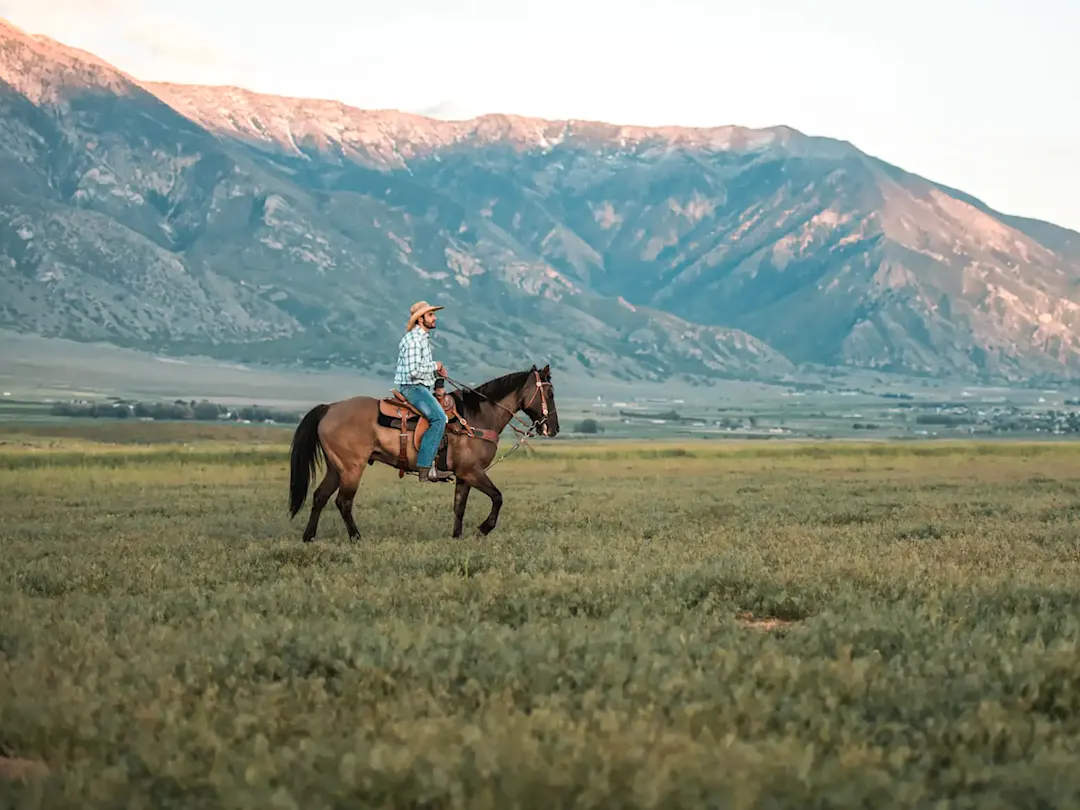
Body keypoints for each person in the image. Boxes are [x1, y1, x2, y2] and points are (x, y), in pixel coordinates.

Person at [394, 300, 453, 483]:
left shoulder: (422, 339)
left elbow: (422, 369)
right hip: (412, 387)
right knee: (439, 418)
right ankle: (425, 468)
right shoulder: (413, 340)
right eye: (430, 315)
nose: (435, 318)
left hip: (421, 386)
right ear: (420, 319)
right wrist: (434, 365)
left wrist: (436, 373)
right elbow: (413, 371)